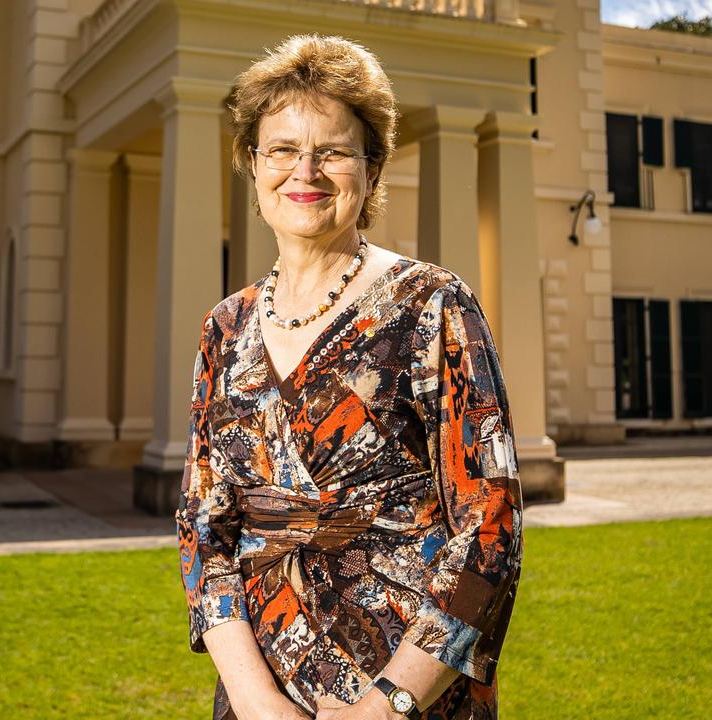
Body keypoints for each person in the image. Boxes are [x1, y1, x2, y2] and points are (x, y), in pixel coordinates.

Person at [176, 34, 523, 720]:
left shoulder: (432, 305)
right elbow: (202, 528)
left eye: (333, 151)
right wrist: (253, 700)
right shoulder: (224, 327)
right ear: (252, 163)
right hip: (259, 700)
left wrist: (388, 704)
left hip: (410, 698)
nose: (305, 170)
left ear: (370, 170)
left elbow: (490, 526)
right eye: (281, 149)